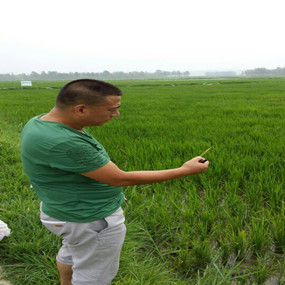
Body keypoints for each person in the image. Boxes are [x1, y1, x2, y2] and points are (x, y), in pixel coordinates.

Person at [21, 79, 209, 285]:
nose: (116, 114)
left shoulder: (39, 122)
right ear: (81, 109)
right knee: (94, 276)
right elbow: (120, 178)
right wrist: (184, 171)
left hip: (62, 211)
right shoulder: (66, 143)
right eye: (111, 109)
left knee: (73, 252)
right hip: (89, 219)